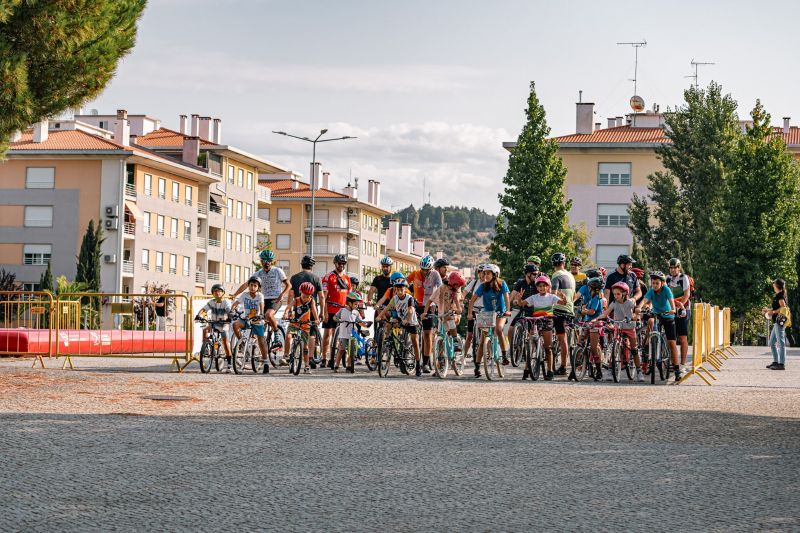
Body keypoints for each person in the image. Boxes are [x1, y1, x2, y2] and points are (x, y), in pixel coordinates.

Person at [233, 249, 289, 350]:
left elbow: (289, 285)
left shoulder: (277, 271)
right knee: (258, 323)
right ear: (261, 261)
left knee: (268, 315)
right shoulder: (258, 273)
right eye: (264, 260)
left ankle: (277, 335)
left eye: (269, 260)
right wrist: (235, 294)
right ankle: (258, 351)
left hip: (275, 300)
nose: (267, 262)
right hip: (263, 300)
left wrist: (282, 294)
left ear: (271, 261)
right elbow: (246, 285)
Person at [636, 271, 683, 382]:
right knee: (652, 324)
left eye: (657, 283)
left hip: (668, 316)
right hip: (657, 314)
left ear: (662, 283)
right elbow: (645, 300)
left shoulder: (667, 290)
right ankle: (650, 348)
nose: (655, 285)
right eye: (653, 283)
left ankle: (677, 370)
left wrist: (672, 309)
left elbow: (671, 302)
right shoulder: (652, 291)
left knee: (672, 342)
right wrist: (639, 307)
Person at [593, 281, 644, 382]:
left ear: (625, 294)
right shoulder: (614, 303)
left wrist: (636, 318)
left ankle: (639, 371)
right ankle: (610, 371)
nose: (616, 296)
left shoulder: (630, 302)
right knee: (614, 349)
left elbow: (637, 313)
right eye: (614, 294)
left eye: (618, 294)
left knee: (634, 349)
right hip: (618, 327)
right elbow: (605, 313)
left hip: (629, 327)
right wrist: (597, 319)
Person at [467, 264, 511, 377]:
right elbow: (472, 301)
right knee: (482, 341)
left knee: (499, 328)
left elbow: (506, 298)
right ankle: (477, 367)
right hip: (487, 314)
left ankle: (505, 356)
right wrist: (469, 314)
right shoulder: (482, 286)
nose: (484, 275)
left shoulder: (502, 284)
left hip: (500, 313)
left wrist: (508, 310)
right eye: (484, 273)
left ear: (495, 274)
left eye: (487, 273)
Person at [520, 275, 567, 380]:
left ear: (548, 287)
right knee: (531, 346)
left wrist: (564, 299)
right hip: (535, 321)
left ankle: (549, 370)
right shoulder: (533, 297)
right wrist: (519, 299)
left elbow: (563, 303)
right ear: (537, 287)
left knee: (548, 347)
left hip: (547, 321)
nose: (542, 288)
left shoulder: (552, 297)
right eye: (539, 286)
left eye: (544, 286)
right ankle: (527, 370)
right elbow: (522, 303)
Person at [376, 278, 421, 374]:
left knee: (415, 342)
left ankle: (418, 365)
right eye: (397, 289)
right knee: (389, 323)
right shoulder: (395, 298)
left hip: (411, 321)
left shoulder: (409, 298)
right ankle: (389, 343)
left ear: (405, 289)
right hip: (401, 319)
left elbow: (410, 310)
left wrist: (407, 320)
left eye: (401, 288)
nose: (399, 291)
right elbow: (387, 308)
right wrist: (379, 316)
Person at [287, 255, 325, 366]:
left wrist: (289, 311)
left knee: (292, 331)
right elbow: (321, 297)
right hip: (311, 310)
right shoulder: (316, 278)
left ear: (302, 265)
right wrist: (322, 312)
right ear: (312, 266)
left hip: (297, 309)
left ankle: (289, 353)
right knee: (311, 334)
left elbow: (291, 295)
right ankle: (310, 358)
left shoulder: (294, 278)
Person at [407, 255, 442, 373]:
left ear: (431, 268)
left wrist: (437, 301)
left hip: (429, 306)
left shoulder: (435, 274)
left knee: (427, 334)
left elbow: (441, 288)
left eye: (427, 270)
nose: (424, 272)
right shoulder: (416, 273)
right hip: (416, 304)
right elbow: (404, 282)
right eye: (422, 269)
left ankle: (426, 363)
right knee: (413, 331)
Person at [231, 276, 270, 374]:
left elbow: (262, 305)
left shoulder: (260, 295)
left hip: (257, 319)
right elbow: (236, 303)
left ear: (258, 287)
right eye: (251, 285)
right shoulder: (245, 295)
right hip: (246, 319)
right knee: (235, 324)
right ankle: (242, 342)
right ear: (248, 286)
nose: (252, 287)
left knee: (261, 340)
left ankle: (265, 362)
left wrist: (261, 314)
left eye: (255, 286)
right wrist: (232, 310)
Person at [321, 254, 352, 368]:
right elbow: (324, 296)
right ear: (335, 263)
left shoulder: (347, 279)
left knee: (340, 335)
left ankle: (335, 358)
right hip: (330, 309)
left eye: (344, 264)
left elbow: (350, 297)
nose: (342, 265)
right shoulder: (329, 277)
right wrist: (324, 312)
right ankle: (324, 357)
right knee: (327, 334)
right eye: (339, 263)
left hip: (343, 310)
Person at [422, 270, 466, 349]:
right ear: (453, 283)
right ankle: (441, 358)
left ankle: (455, 341)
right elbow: (430, 300)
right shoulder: (442, 288)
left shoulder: (456, 291)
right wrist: (425, 313)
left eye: (459, 286)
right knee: (441, 336)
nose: (459, 288)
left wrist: (458, 310)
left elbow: (458, 305)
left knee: (450, 319)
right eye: (457, 285)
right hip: (442, 314)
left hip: (453, 314)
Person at [194, 283, 233, 372]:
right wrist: (198, 315)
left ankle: (229, 364)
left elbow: (229, 310)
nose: (217, 293)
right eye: (215, 291)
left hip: (223, 324)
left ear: (223, 293)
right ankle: (206, 347)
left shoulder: (225, 302)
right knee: (205, 330)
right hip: (214, 323)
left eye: (219, 291)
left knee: (226, 343)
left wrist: (229, 317)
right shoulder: (211, 302)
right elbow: (204, 309)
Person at [284, 281, 320, 374]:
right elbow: (288, 307)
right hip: (294, 323)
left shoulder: (311, 301)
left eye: (308, 296)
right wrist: (285, 314)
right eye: (304, 296)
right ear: (300, 293)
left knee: (305, 348)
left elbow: (314, 310)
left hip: (305, 325)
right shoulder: (296, 300)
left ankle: (307, 366)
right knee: (288, 336)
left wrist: (316, 319)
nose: (306, 298)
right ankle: (286, 355)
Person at [550, 253, 576, 375]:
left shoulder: (556, 275)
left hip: (559, 310)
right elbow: (574, 296)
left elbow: (553, 293)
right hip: (570, 310)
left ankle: (563, 367)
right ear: (564, 263)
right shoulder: (570, 275)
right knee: (564, 338)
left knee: (562, 339)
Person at [509, 264, 540, 362]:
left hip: (534, 311)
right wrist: (513, 301)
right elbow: (512, 297)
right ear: (527, 274)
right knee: (510, 329)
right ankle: (515, 348)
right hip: (523, 310)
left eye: (537, 274)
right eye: (534, 274)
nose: (536, 276)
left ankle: (530, 352)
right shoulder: (520, 283)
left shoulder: (538, 284)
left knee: (532, 333)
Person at [666, 258, 692, 373]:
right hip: (671, 309)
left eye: (674, 268)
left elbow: (687, 295)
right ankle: (674, 362)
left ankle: (683, 363)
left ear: (678, 268)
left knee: (682, 337)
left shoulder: (683, 278)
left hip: (683, 309)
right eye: (671, 268)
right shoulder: (666, 279)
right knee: (671, 338)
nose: (672, 270)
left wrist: (677, 302)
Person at [333, 291, 366, 373]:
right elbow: (334, 317)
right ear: (349, 303)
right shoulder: (342, 310)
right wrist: (339, 320)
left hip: (352, 334)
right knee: (341, 350)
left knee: (352, 351)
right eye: (355, 304)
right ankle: (336, 365)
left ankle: (349, 366)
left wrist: (365, 325)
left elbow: (359, 321)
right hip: (343, 334)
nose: (357, 305)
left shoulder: (356, 312)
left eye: (357, 304)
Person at [579, 276, 605, 380]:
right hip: (587, 322)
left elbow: (592, 312)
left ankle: (599, 370)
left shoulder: (597, 298)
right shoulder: (591, 298)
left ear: (594, 289)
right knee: (580, 341)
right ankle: (577, 364)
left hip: (596, 324)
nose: (588, 289)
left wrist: (584, 311)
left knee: (594, 348)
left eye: (589, 288)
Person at [763, 278, 788, 370]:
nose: (773, 285)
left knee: (781, 343)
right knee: (772, 342)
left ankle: (781, 364)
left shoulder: (780, 296)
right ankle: (776, 361)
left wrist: (772, 312)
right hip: (776, 322)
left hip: (779, 322)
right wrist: (768, 310)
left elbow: (783, 308)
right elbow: (777, 308)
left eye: (774, 283)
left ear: (777, 286)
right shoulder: (778, 295)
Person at [463, 264, 486, 361]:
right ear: (478, 273)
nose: (483, 275)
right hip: (473, 309)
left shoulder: (489, 284)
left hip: (485, 310)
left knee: (485, 334)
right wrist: (460, 300)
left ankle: (489, 355)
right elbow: (464, 292)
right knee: (469, 335)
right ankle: (463, 357)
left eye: (485, 273)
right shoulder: (474, 282)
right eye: (481, 272)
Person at [368, 256, 395, 335]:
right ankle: (376, 343)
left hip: (390, 307)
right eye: (383, 266)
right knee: (376, 331)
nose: (385, 268)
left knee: (389, 330)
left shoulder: (393, 279)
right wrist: (369, 300)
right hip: (379, 306)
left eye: (387, 266)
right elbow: (371, 290)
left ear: (390, 267)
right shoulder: (378, 278)